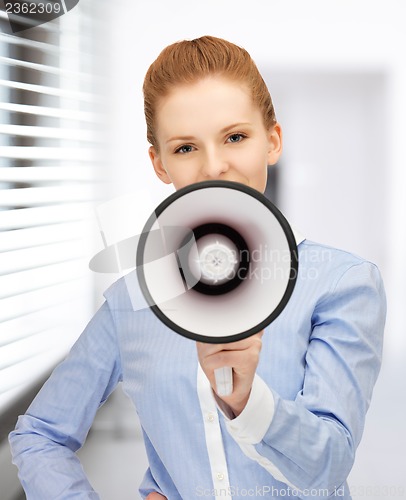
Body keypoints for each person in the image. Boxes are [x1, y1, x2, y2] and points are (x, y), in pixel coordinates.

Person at [9, 36, 386, 499]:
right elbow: (40, 434)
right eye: (185, 148)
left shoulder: (341, 284)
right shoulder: (132, 301)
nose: (214, 166)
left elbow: (328, 466)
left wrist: (247, 400)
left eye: (235, 137)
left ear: (272, 140)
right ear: (160, 163)